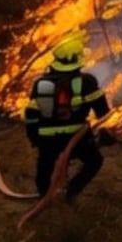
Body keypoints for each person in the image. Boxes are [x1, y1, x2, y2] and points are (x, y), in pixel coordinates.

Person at [24, 36, 111, 202]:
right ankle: (72, 192)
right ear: (76, 59)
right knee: (95, 160)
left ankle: (44, 197)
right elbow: (102, 111)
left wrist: (35, 139)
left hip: (47, 141)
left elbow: (31, 115)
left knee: (44, 169)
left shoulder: (40, 83)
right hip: (77, 138)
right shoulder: (87, 81)